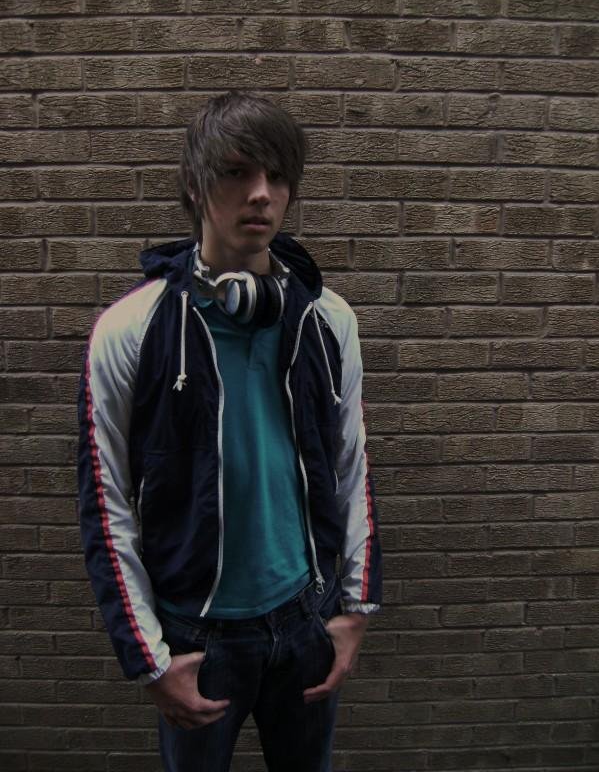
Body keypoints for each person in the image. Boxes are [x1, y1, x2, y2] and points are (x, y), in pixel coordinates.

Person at [78, 91, 382, 772]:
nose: (261, 194)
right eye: (236, 172)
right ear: (195, 185)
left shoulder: (328, 319)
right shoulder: (131, 331)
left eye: (277, 176)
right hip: (196, 638)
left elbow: (351, 464)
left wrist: (355, 609)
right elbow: (106, 502)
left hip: (306, 621)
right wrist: (150, 657)